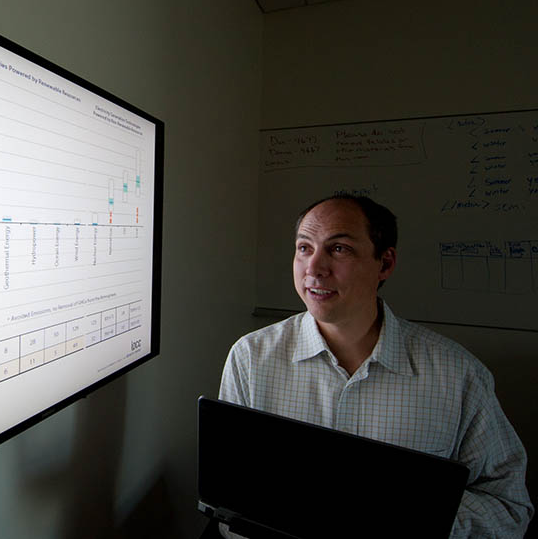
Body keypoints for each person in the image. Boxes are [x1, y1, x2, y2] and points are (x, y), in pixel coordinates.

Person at [219, 195, 533, 538]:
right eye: (304, 248)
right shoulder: (251, 358)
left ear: (385, 263)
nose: (314, 268)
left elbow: (509, 508)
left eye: (339, 249)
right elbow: (227, 507)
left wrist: (409, 515)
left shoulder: (458, 376)